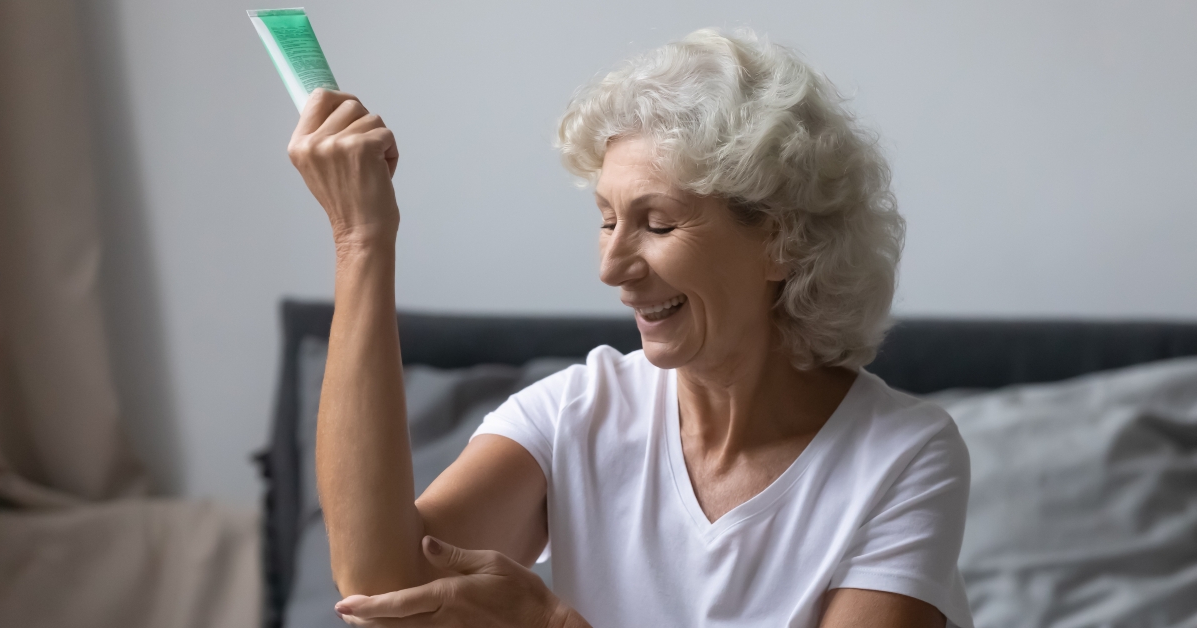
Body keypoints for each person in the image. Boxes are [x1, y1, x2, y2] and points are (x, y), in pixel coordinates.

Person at [288, 28, 973, 628]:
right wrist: (361, 239)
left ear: (782, 240)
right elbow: (382, 588)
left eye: (658, 223)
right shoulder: (576, 416)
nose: (613, 268)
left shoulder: (903, 456)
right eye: (607, 220)